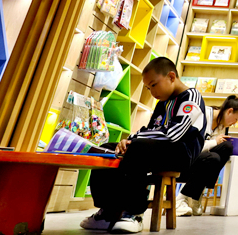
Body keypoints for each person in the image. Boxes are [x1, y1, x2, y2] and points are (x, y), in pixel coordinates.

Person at [81, 57, 207, 234]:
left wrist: (133, 140)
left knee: (138, 148)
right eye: (148, 88)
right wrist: (128, 140)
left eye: (154, 85)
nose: (152, 92)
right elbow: (151, 129)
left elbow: (174, 133)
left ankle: (133, 213)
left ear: (171, 77)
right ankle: (107, 212)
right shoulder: (162, 103)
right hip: (157, 149)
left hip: (181, 153)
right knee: (107, 148)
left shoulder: (191, 97)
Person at [174, 95, 238, 216]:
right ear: (229, 111)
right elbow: (191, 147)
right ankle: (181, 200)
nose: (235, 123)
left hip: (200, 161)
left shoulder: (222, 126)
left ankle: (195, 195)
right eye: (236, 119)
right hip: (184, 157)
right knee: (213, 158)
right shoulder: (203, 116)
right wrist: (214, 142)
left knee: (227, 146)